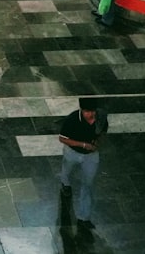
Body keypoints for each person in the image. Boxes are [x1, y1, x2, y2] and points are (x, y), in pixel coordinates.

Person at [59, 97, 108, 234]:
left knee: (88, 184)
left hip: (91, 156)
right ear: (81, 110)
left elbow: (103, 133)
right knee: (67, 170)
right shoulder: (73, 119)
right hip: (73, 152)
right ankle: (65, 183)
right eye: (87, 111)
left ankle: (83, 217)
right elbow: (62, 138)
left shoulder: (101, 118)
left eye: (92, 111)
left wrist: (98, 143)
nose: (90, 115)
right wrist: (83, 145)